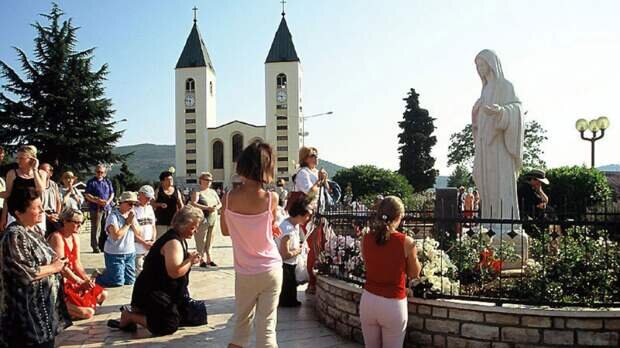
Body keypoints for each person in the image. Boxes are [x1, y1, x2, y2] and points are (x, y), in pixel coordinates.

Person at [107, 205, 207, 336]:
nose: (196, 231)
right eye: (193, 227)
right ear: (184, 225)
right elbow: (174, 272)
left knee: (194, 315)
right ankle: (130, 316)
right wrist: (190, 261)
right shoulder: (173, 242)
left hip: (165, 291)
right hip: (152, 292)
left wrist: (187, 256)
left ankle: (150, 315)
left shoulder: (178, 239)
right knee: (168, 326)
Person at [221, 141, 282, 348]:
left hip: (245, 271)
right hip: (271, 269)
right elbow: (270, 225)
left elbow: (225, 230)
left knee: (241, 326)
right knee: (267, 328)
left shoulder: (228, 198)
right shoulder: (271, 198)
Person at [0, 188, 71, 347]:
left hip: (43, 314)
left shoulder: (35, 230)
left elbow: (53, 259)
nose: (42, 211)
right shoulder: (14, 235)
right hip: (26, 319)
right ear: (18, 212)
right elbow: (25, 272)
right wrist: (54, 267)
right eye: (36, 207)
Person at [360, 196, 421, 348]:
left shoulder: (366, 238)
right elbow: (414, 273)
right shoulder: (406, 242)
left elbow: (369, 266)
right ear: (399, 217)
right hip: (393, 303)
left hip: (368, 299)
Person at [472, 49, 524, 227]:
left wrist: (501, 112)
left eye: (482, 65)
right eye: (477, 66)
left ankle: (506, 225)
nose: (479, 69)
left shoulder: (505, 86)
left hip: (500, 145)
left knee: (501, 185)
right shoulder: (485, 89)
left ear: (491, 64)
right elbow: (480, 120)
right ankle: (488, 222)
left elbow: (517, 109)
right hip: (485, 145)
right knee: (486, 183)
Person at [47, 208, 108, 320]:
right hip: (60, 281)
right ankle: (59, 306)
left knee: (103, 294)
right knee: (88, 313)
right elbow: (62, 268)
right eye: (76, 222)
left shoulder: (75, 237)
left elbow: (76, 263)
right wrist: (80, 281)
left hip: (71, 278)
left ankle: (73, 307)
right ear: (65, 221)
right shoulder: (57, 237)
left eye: (81, 222)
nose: (79, 226)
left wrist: (86, 279)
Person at [291, 146, 328, 295]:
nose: (315, 158)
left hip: (320, 213)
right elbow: (309, 192)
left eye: (316, 155)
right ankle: (311, 283)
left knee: (321, 245)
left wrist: (324, 181)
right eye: (312, 155)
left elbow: (325, 193)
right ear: (305, 158)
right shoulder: (303, 173)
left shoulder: (313, 173)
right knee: (314, 246)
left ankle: (317, 278)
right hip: (309, 214)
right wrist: (319, 181)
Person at [95, 192, 139, 287]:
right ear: (122, 203)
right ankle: (98, 277)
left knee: (130, 281)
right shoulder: (113, 216)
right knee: (117, 282)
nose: (132, 206)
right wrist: (127, 224)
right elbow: (116, 236)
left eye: (134, 204)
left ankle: (111, 271)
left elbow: (138, 233)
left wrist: (132, 222)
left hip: (130, 253)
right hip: (115, 253)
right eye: (130, 203)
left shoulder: (131, 215)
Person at [0, 145, 47, 232]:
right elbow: (8, 195)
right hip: (15, 213)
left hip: (35, 213)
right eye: (17, 158)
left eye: (21, 158)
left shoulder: (42, 173)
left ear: (32, 159)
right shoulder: (12, 173)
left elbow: (40, 190)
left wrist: (35, 170)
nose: (18, 161)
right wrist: (4, 217)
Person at [277, 194, 312, 307]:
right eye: (306, 216)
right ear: (299, 215)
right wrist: (299, 251)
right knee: (287, 287)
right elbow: (285, 253)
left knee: (291, 286)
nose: (307, 219)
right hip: (286, 265)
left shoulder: (292, 225)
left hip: (290, 264)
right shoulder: (288, 230)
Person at [191, 172, 221, 267]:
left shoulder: (213, 192)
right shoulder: (197, 191)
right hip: (202, 218)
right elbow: (194, 203)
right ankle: (201, 259)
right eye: (206, 180)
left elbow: (220, 203)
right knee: (200, 239)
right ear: (201, 180)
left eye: (210, 180)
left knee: (210, 239)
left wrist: (216, 207)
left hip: (213, 218)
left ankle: (209, 258)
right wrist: (206, 208)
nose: (208, 182)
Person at [84, 164, 115, 253]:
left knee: (106, 227)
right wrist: (96, 200)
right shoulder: (91, 182)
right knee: (96, 227)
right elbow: (87, 194)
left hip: (107, 207)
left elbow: (112, 193)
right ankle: (95, 246)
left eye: (102, 172)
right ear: (95, 172)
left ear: (104, 173)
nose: (100, 174)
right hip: (95, 208)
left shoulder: (107, 182)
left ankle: (104, 245)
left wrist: (108, 202)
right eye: (98, 172)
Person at [154, 170, 184, 240]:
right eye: (168, 180)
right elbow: (152, 203)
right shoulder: (158, 191)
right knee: (161, 240)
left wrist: (182, 215)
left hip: (174, 221)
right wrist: (160, 204)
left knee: (173, 239)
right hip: (161, 221)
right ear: (162, 181)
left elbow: (181, 204)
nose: (170, 181)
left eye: (171, 179)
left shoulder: (176, 191)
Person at [134, 185, 157, 273]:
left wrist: (153, 240)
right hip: (137, 245)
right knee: (139, 270)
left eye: (150, 198)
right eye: (147, 197)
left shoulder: (150, 208)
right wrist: (144, 243)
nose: (149, 200)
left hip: (149, 244)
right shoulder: (133, 209)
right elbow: (134, 230)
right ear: (141, 194)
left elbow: (153, 226)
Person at [39, 163, 62, 235]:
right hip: (42, 214)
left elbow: (58, 201)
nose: (42, 173)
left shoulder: (53, 184)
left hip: (54, 214)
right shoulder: (37, 185)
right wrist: (47, 216)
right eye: (40, 170)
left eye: (45, 171)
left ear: (50, 173)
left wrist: (57, 214)